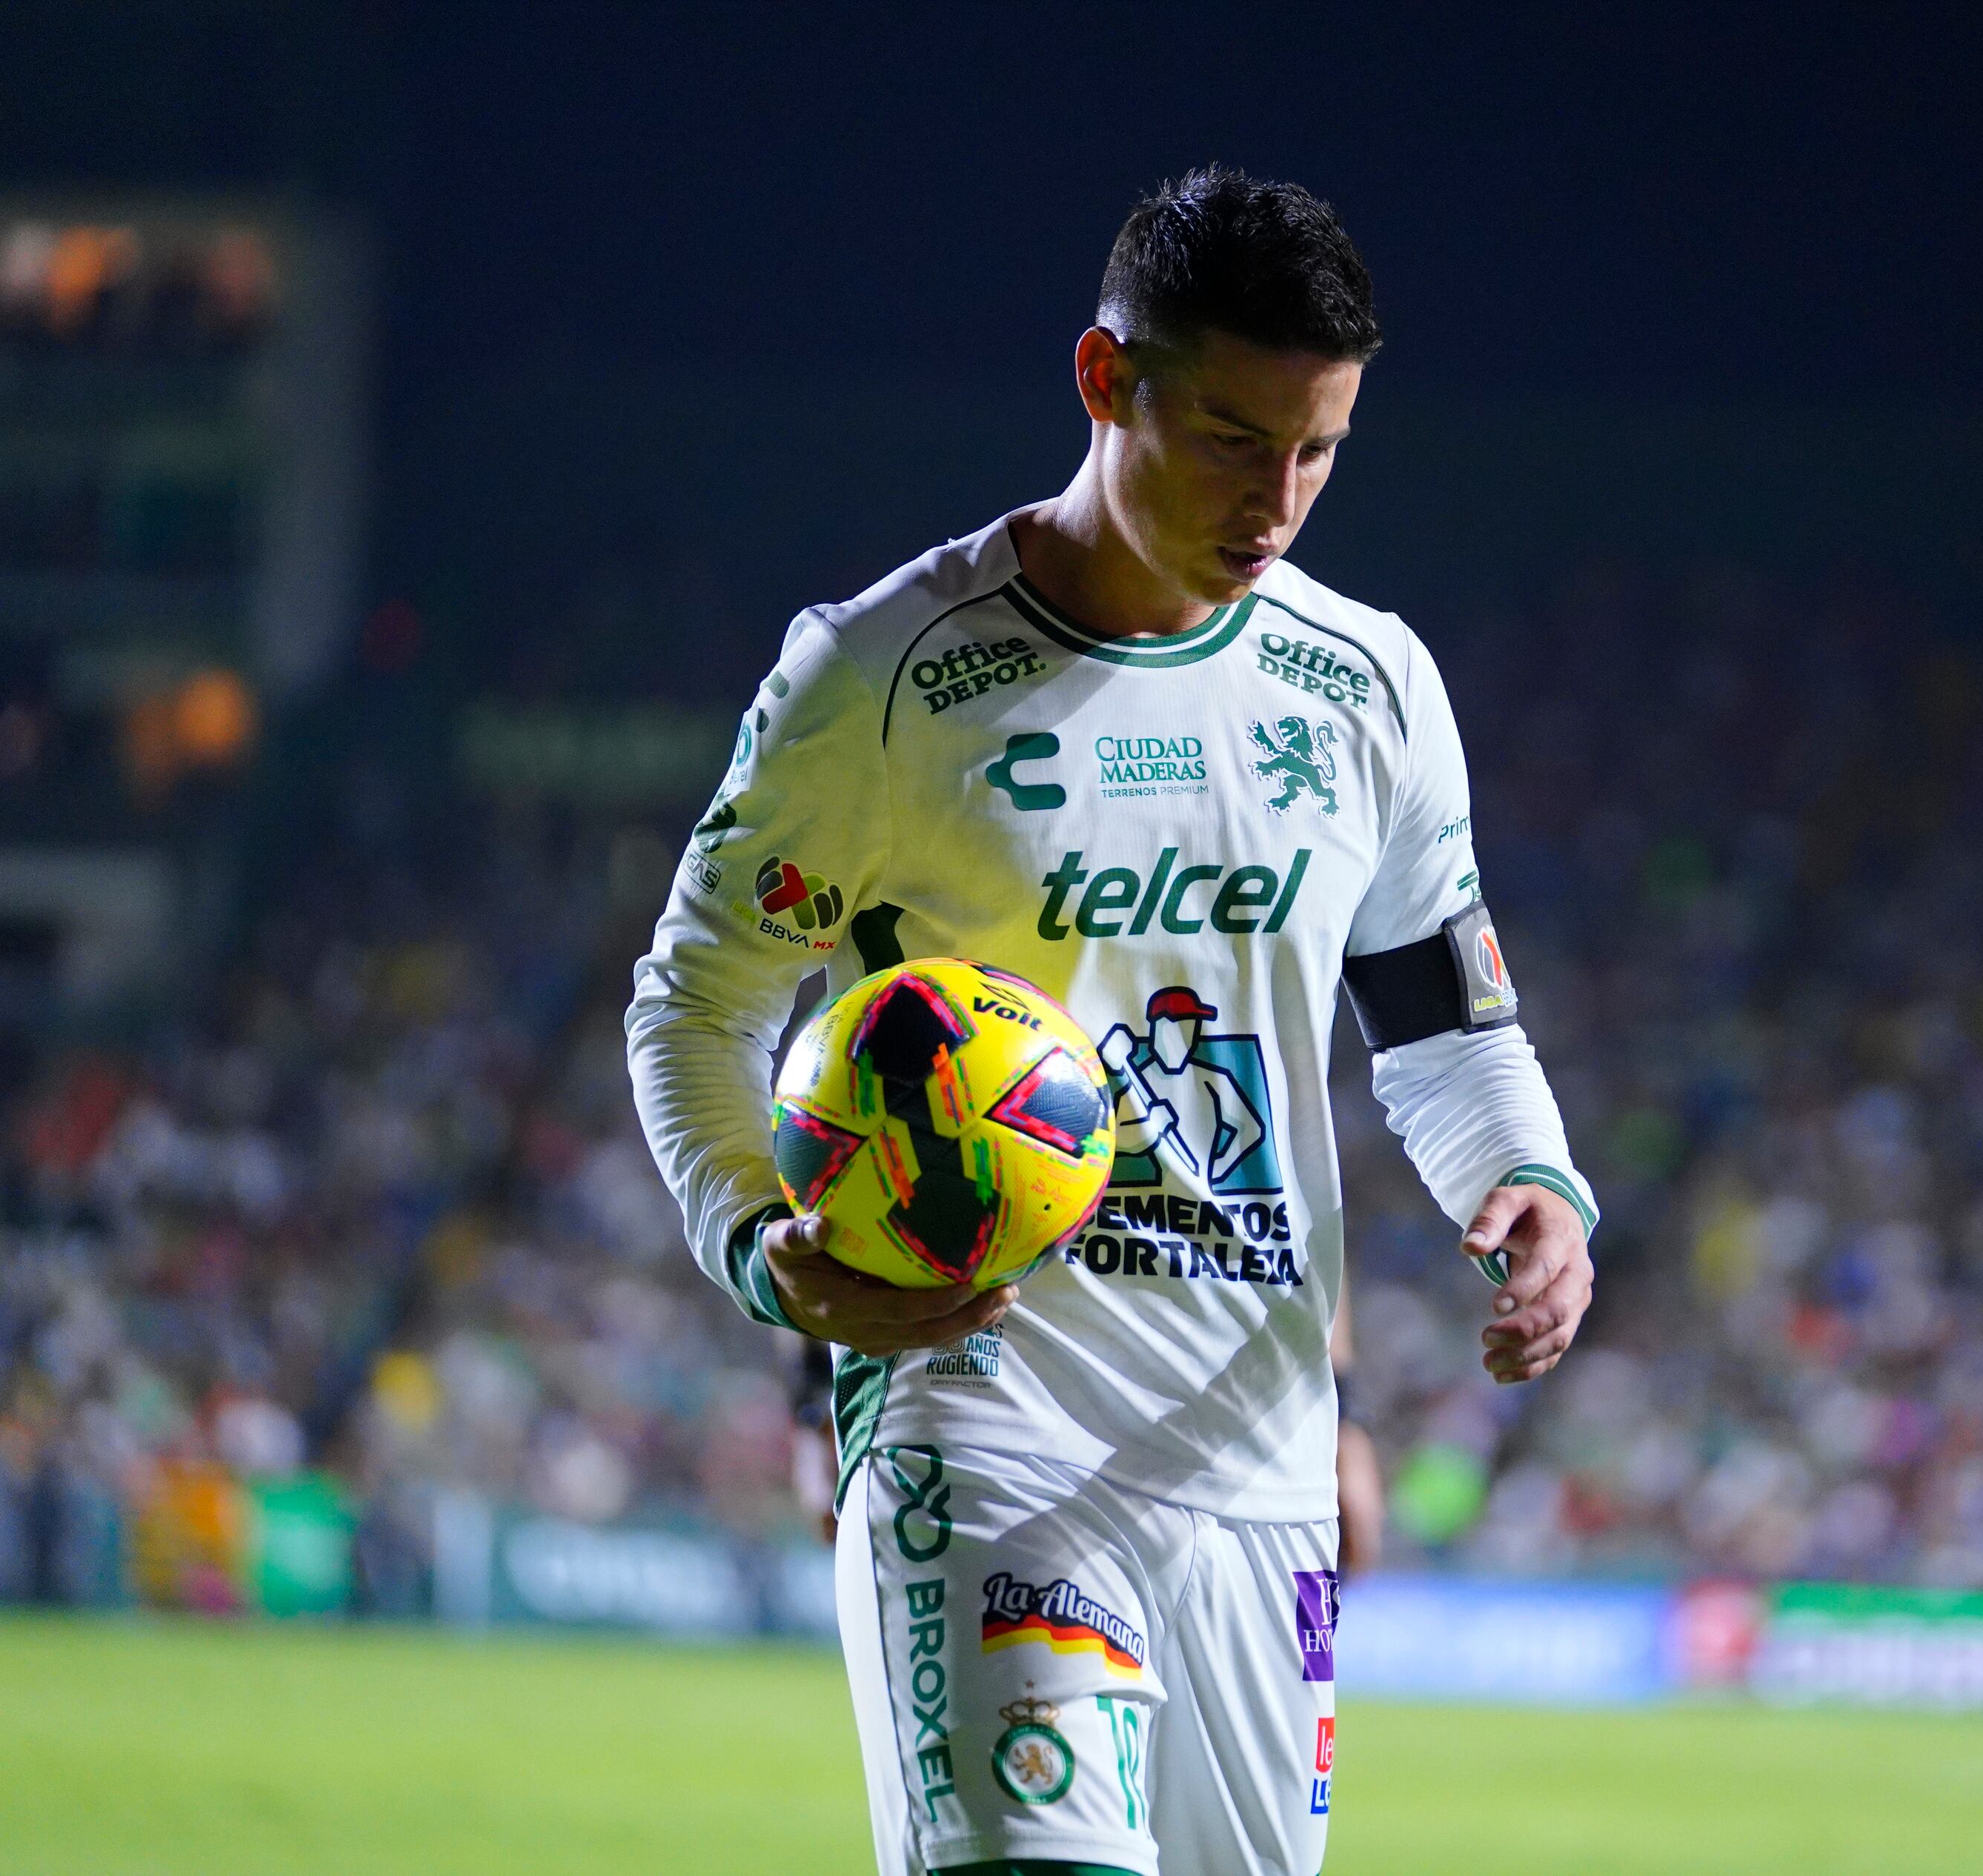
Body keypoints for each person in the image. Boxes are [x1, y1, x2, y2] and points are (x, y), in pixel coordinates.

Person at [628, 167, 1595, 1876]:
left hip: (1259, 1453)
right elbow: (696, 1000)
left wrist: (1524, 1177)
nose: (1273, 501)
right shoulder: (880, 678)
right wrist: (761, 1247)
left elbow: (1443, 1019)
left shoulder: (1367, 685)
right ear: (1103, 379)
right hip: (983, 1410)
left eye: (1316, 451)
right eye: (1230, 438)